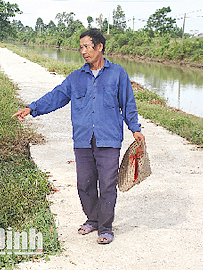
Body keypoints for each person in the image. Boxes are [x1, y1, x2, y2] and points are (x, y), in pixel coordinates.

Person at [12, 28, 145, 244]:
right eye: (81, 47)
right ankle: (92, 219)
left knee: (108, 184)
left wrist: (135, 128)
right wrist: (31, 108)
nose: (83, 51)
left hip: (109, 139)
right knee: (85, 183)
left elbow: (128, 103)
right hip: (83, 139)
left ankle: (105, 227)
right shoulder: (76, 77)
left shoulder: (118, 73)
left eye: (87, 46)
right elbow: (56, 96)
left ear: (99, 46)